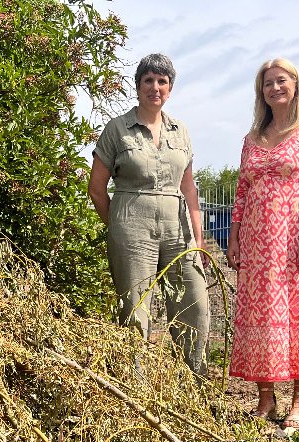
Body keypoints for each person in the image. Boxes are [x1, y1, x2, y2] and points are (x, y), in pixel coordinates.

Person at [87, 53, 210, 376]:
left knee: (194, 303)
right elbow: (97, 188)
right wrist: (118, 226)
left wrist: (199, 240)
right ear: (138, 85)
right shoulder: (117, 129)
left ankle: (194, 385)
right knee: (135, 308)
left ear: (170, 89)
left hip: (178, 227)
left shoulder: (180, 130)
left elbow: (189, 189)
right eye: (148, 81)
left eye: (162, 82)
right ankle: (135, 390)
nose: (155, 87)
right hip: (131, 225)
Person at [226, 58, 299, 429]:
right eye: (267, 84)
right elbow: (241, 193)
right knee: (258, 316)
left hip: (292, 240)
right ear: (262, 93)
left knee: (296, 313)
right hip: (255, 244)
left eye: (281, 81)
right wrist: (234, 237)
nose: (274, 88)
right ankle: (266, 399)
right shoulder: (251, 139)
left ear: (295, 85)